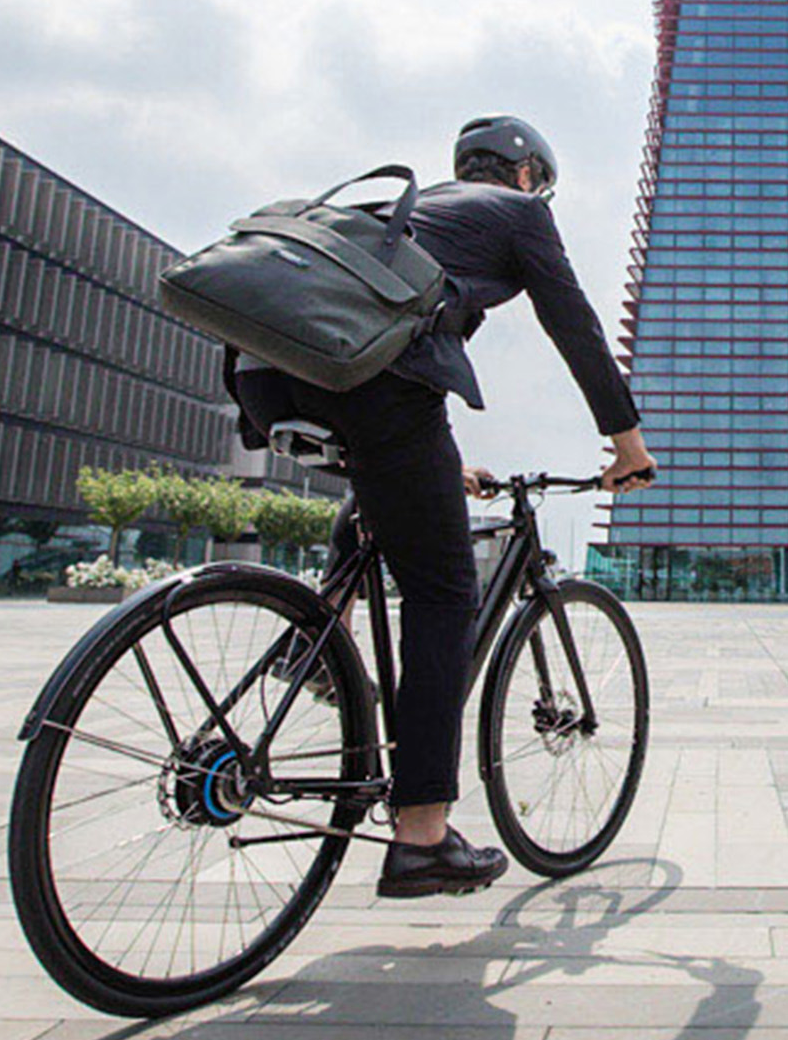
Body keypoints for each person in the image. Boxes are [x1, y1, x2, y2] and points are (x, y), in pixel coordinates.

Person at [228, 115, 656, 898]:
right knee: (440, 592)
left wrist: (443, 462)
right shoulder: (519, 215)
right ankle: (422, 835)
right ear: (526, 175)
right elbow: (574, 325)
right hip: (369, 378)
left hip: (265, 369)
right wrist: (624, 440)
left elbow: (387, 338)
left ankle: (321, 631)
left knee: (383, 489)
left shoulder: (403, 212)